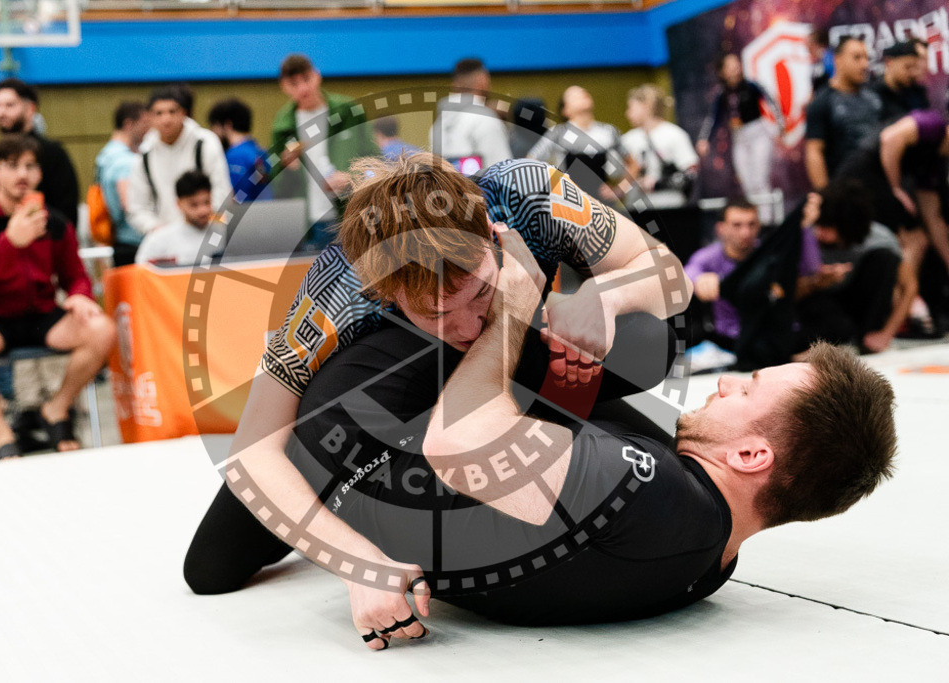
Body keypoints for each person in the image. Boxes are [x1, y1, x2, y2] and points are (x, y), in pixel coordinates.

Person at [188, 226, 896, 646]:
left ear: (752, 454)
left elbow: (459, 443)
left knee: (215, 559)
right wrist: (580, 332)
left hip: (363, 444)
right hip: (419, 462)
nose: (730, 380)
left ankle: (429, 282)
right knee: (637, 340)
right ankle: (501, 276)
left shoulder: (651, 495)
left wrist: (516, 307)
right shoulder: (715, 550)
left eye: (750, 389)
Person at [184, 153, 692, 641]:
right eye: (437, 313)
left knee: (653, 363)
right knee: (211, 567)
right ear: (385, 293)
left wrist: (603, 296)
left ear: (492, 237)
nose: (467, 324)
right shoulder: (336, 292)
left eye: (478, 293)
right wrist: (354, 562)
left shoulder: (529, 193)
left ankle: (540, 408)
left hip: (513, 363)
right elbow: (252, 452)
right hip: (381, 402)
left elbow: (670, 274)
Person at [0, 136, 115, 460]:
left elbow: (75, 275)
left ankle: (57, 408)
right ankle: (2, 434)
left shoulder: (55, 221)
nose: (22, 174)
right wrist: (10, 241)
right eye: (12, 166)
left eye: (30, 166)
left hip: (40, 314)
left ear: (39, 174)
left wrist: (80, 296)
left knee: (102, 328)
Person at [271, 54, 379, 249]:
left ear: (317, 75)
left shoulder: (348, 112)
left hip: (350, 215)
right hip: (307, 223)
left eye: (306, 79)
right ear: (284, 86)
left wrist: (350, 177)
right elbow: (278, 188)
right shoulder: (282, 126)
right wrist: (287, 168)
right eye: (294, 83)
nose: (303, 88)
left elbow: (375, 163)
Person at [685, 198, 819, 351]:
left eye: (752, 224)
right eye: (737, 225)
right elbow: (688, 271)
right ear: (721, 229)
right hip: (731, 339)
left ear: (759, 226)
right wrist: (698, 280)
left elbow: (810, 269)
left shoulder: (772, 253)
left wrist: (806, 228)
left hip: (776, 336)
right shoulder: (709, 257)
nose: (745, 232)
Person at [796, 182, 914, 354]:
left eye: (827, 227)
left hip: (856, 304)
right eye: (819, 225)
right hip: (818, 308)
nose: (820, 232)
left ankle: (866, 337)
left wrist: (886, 333)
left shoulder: (878, 238)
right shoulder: (807, 236)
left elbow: (910, 287)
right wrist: (816, 282)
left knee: (885, 258)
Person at [836, 108, 949, 287]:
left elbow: (932, 217)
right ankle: (903, 296)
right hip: (860, 177)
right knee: (911, 238)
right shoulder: (934, 125)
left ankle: (903, 298)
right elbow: (890, 138)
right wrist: (895, 188)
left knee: (916, 239)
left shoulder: (934, 164)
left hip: (874, 184)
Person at [126, 85, 231, 237]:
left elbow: (222, 193)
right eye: (159, 113)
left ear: (184, 113)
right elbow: (136, 209)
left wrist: (198, 221)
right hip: (165, 240)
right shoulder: (144, 154)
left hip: (207, 235)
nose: (166, 119)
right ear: (150, 117)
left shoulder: (205, 143)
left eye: (172, 111)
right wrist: (159, 230)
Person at [0, 79, 80, 226]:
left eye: (9, 105)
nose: (0, 112)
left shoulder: (53, 153)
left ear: (30, 108)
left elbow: (67, 210)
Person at [697, 54, 782, 215]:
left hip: (758, 133)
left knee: (760, 178)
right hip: (739, 137)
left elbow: (772, 102)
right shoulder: (721, 95)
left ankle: (767, 219)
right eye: (730, 67)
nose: (735, 70)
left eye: (737, 65)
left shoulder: (751, 86)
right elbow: (712, 119)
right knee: (747, 181)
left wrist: (779, 127)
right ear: (722, 72)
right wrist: (703, 140)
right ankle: (754, 217)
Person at [526, 85, 634, 203]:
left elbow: (634, 164)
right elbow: (530, 161)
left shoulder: (608, 131)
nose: (582, 95)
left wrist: (619, 190)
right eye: (574, 96)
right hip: (570, 203)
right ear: (565, 110)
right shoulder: (558, 133)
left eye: (584, 92)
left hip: (602, 203)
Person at [804, 37, 882, 190]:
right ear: (837, 60)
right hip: (844, 191)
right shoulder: (822, 102)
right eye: (857, 58)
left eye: (866, 58)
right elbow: (814, 152)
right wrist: (826, 197)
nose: (864, 64)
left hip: (877, 189)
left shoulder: (874, 97)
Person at [621, 85, 699, 209]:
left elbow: (691, 173)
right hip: (637, 206)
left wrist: (658, 184)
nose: (627, 113)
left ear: (646, 105)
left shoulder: (674, 134)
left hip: (668, 205)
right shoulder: (628, 139)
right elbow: (618, 174)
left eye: (631, 107)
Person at [430, 58, 512, 172]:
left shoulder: (438, 124)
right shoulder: (485, 119)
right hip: (478, 189)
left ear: (454, 85)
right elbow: (504, 172)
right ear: (482, 81)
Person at [94, 101, 150, 267]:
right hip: (133, 244)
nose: (149, 129)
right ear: (129, 124)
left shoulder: (105, 156)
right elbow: (129, 203)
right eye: (145, 124)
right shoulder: (126, 162)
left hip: (119, 240)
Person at [135, 170, 214, 266]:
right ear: (179, 204)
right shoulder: (158, 240)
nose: (203, 210)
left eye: (207, 202)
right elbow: (142, 272)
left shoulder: (224, 234)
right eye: (194, 205)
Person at [207, 98, 271, 202]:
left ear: (227, 125)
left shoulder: (233, 156)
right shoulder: (261, 152)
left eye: (214, 127)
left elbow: (233, 198)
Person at [873, 40, 931, 123]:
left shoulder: (918, 92)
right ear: (889, 62)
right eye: (907, 67)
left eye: (915, 67)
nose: (913, 73)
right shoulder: (873, 95)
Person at [806, 29, 835, 94]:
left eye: (809, 44)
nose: (806, 47)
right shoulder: (820, 60)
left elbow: (834, 81)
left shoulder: (828, 58)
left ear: (814, 44)